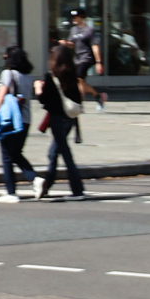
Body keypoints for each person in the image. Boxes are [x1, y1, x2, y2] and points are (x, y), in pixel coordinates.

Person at [34, 40, 88, 200]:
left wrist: (38, 88)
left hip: (57, 119)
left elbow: (44, 100)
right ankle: (47, 185)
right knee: (54, 152)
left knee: (64, 153)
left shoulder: (51, 77)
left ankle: (77, 188)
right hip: (70, 119)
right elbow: (78, 97)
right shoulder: (73, 74)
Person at [0, 45, 37, 201]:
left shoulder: (7, 74)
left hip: (9, 119)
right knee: (15, 154)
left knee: (7, 156)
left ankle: (10, 192)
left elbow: (0, 96)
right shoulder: (27, 77)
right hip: (25, 120)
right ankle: (35, 179)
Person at [64, 8, 106, 107]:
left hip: (86, 57)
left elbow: (95, 46)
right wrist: (66, 43)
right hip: (77, 58)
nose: (73, 19)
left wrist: (98, 62)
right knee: (78, 81)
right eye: (72, 17)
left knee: (79, 79)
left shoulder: (89, 30)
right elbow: (72, 44)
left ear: (81, 17)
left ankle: (79, 103)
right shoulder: (73, 30)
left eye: (75, 17)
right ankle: (97, 96)